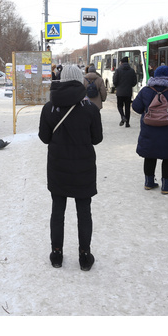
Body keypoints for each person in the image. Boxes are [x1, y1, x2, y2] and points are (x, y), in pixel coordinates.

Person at [38, 65, 103, 271]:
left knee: (58, 211)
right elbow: (97, 139)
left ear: (62, 80)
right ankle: (85, 256)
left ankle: (56, 254)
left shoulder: (49, 107)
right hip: (83, 168)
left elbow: (44, 137)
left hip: (58, 168)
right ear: (81, 81)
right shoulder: (91, 108)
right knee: (84, 212)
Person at [131, 64, 168, 194]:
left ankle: (149, 182)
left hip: (149, 130)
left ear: (155, 75)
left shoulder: (146, 90)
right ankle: (166, 186)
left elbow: (136, 107)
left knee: (149, 155)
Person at [113, 56, 138, 127]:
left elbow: (115, 81)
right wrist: (130, 86)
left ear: (121, 62)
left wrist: (117, 86)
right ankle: (127, 123)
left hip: (120, 92)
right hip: (128, 92)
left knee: (119, 106)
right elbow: (134, 82)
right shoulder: (132, 70)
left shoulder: (118, 70)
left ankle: (122, 116)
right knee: (127, 107)